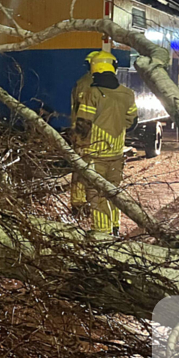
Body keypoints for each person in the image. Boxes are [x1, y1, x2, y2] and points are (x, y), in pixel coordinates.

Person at [73, 51, 138, 235]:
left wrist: (78, 146)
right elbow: (132, 122)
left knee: (96, 194)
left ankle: (101, 233)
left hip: (95, 154)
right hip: (117, 154)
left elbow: (83, 124)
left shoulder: (93, 92)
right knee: (113, 192)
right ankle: (115, 227)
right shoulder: (128, 93)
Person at [69, 51, 100, 210]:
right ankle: (93, 203)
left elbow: (74, 108)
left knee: (80, 169)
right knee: (95, 170)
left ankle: (78, 202)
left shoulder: (81, 82)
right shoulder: (99, 84)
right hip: (93, 135)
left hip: (81, 134)